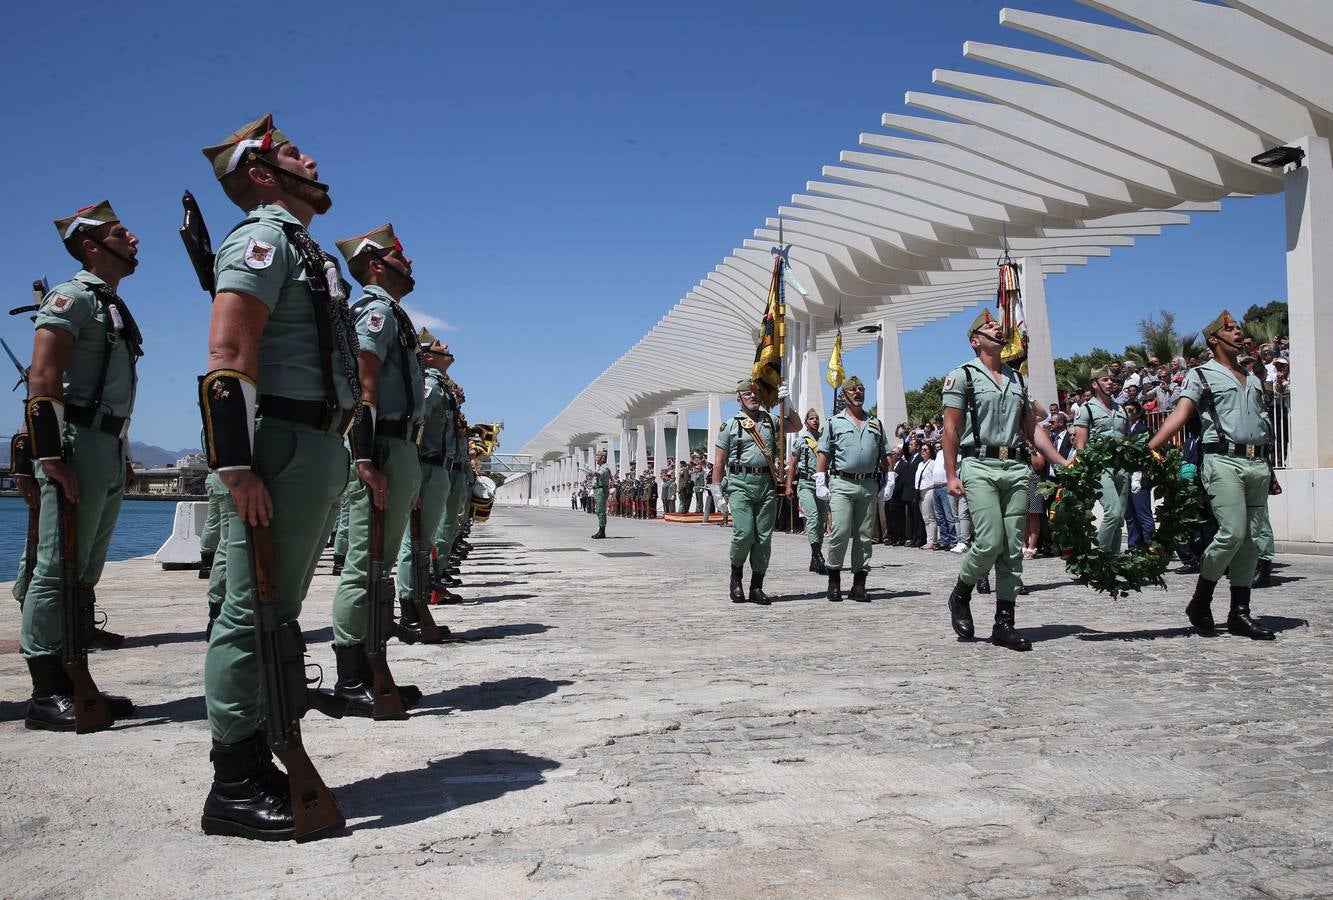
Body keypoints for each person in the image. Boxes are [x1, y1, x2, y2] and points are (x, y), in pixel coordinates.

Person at [197, 114, 357, 839]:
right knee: (249, 610)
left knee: (274, 606)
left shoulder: (298, 244)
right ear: (262, 173)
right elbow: (229, 354)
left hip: (311, 440)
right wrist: (235, 466)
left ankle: (258, 750)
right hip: (282, 443)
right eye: (295, 152)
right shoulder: (260, 240)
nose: (313, 158)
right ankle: (235, 779)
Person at [21, 199, 142, 731]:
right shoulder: (71, 298)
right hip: (75, 443)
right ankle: (46, 690)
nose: (133, 238)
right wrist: (49, 455)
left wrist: (124, 452)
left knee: (83, 570)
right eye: (120, 232)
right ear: (92, 245)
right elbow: (43, 378)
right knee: (55, 569)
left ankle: (76, 678)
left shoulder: (109, 302)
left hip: (107, 446)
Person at [329, 223, 424, 712]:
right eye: (399, 259)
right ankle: (352, 675)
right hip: (381, 446)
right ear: (374, 265)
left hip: (398, 445)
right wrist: (364, 457)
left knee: (380, 566)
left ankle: (374, 665)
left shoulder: (393, 314)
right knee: (364, 564)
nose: (409, 266)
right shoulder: (373, 312)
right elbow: (364, 386)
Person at [941, 309, 1069, 651]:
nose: (999, 328)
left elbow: (1031, 428)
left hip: (1015, 467)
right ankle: (961, 592)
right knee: (990, 541)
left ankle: (1004, 623)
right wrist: (951, 474)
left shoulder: (1018, 379)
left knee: (1011, 550)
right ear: (976, 341)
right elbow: (950, 428)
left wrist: (1061, 461)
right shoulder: (962, 376)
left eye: (999, 326)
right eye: (990, 327)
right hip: (979, 464)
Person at [1148, 310, 1279, 640]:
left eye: (1238, 329)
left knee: (1249, 541)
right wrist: (1152, 445)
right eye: (1230, 330)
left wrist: (1271, 468)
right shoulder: (1201, 375)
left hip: (1256, 463)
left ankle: (1240, 613)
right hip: (1222, 461)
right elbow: (1182, 412)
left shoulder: (1253, 378)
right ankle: (1200, 600)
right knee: (1233, 533)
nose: (1238, 333)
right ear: (1214, 340)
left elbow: (1261, 426)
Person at [713, 378, 799, 604]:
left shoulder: (771, 420)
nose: (753, 397)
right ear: (739, 399)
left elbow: (797, 425)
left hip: (766, 484)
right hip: (740, 483)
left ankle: (757, 586)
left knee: (763, 538)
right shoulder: (730, 425)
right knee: (744, 533)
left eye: (755, 393)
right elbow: (719, 463)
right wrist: (716, 492)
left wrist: (786, 400)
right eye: (747, 394)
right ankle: (736, 578)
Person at [393, 330, 456, 636]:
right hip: (427, 468)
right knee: (414, 543)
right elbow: (416, 427)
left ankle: (416, 604)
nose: (446, 347)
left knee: (422, 542)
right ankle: (410, 609)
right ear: (428, 356)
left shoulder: (439, 385)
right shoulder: (430, 385)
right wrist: (414, 476)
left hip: (436, 469)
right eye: (439, 346)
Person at [815, 376, 892, 602]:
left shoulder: (875, 423)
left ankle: (859, 584)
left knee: (864, 535)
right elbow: (823, 454)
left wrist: (890, 478)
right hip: (842, 483)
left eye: (861, 389)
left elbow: (886, 454)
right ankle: (834, 579)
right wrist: (820, 480)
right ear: (844, 395)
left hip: (868, 483)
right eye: (853, 390)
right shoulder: (833, 422)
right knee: (839, 532)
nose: (858, 393)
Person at [1071, 366, 1130, 554]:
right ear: (1094, 384)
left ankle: (1113, 564)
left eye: (1112, 380)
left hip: (1121, 466)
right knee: (1112, 513)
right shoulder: (1086, 409)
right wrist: (1082, 470)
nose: (1111, 383)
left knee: (1119, 518)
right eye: (1105, 380)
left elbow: (1127, 437)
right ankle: (1100, 559)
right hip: (1100, 467)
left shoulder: (1121, 409)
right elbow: (1081, 444)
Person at [785, 407, 829, 575]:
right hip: (806, 483)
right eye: (812, 419)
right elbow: (793, 465)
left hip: (822, 483)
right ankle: (818, 555)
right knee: (813, 517)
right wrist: (789, 486)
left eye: (817, 418)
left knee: (821, 522)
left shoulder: (823, 440)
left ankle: (814, 558)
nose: (815, 421)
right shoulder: (801, 440)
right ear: (806, 422)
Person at [1123, 400, 1155, 549]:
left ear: (1137, 412)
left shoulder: (1143, 430)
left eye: (1130, 410)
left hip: (1139, 475)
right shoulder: (1124, 429)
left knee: (1143, 514)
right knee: (1129, 515)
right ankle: (1134, 546)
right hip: (1127, 474)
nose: (1127, 414)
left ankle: (1151, 546)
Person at [590, 450, 611, 538]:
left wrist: (594, 473)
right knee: (598, 511)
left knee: (601, 511)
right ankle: (600, 530)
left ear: (603, 458)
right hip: (597, 490)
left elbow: (600, 475)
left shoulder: (604, 468)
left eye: (598, 457)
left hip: (601, 490)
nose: (596, 459)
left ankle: (602, 531)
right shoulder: (600, 467)